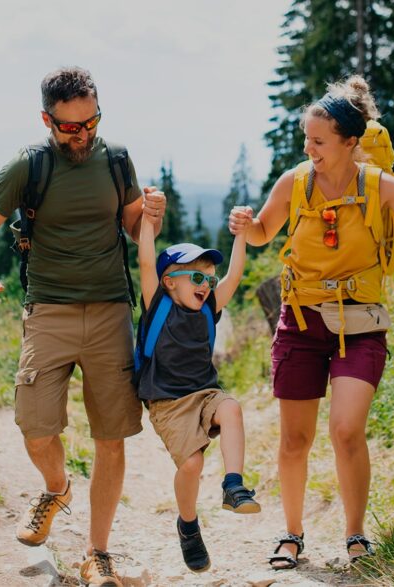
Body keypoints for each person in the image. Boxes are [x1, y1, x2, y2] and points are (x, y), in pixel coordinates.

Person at [227, 75, 394, 569]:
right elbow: (267, 231)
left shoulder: (381, 186)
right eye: (306, 139)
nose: (309, 149)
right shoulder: (296, 181)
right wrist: (248, 225)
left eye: (319, 141)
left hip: (361, 321)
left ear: (351, 143)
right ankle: (292, 534)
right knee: (295, 440)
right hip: (302, 319)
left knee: (347, 430)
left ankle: (355, 534)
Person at [0, 66, 166, 586]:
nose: (82, 135)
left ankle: (98, 553)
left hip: (110, 310)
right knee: (34, 426)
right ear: (46, 119)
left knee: (111, 437)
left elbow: (133, 226)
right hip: (47, 309)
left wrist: (151, 217)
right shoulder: (28, 166)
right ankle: (56, 487)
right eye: (69, 127)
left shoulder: (115, 159)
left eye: (90, 122)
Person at [134, 206, 260, 573]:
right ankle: (188, 526)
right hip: (168, 403)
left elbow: (234, 276)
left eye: (208, 278)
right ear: (169, 281)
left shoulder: (208, 309)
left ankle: (234, 486)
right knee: (192, 463)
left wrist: (242, 234)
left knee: (232, 408)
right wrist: (146, 219)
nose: (205, 285)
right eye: (195, 277)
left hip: (205, 393)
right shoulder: (157, 305)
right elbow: (145, 261)